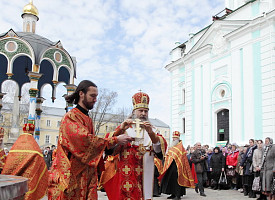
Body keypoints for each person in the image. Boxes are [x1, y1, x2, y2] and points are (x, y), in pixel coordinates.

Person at [48, 80, 133, 200]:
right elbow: (85, 141)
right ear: (81, 94)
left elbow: (94, 142)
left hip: (86, 174)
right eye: (92, 96)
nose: (95, 99)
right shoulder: (71, 116)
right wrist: (116, 140)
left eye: (96, 96)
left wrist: (120, 129)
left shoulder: (87, 118)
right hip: (73, 175)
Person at [101, 91, 167, 200]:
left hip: (146, 168)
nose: (143, 114)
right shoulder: (125, 127)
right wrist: (120, 130)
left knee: (145, 195)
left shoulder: (153, 129)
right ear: (134, 112)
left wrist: (150, 133)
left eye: (146, 111)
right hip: (128, 171)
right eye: (140, 110)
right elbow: (108, 145)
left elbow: (160, 151)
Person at [1, 123, 48, 200]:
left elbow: (9, 163)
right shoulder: (34, 146)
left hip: (12, 182)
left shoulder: (16, 146)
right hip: (29, 181)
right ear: (32, 132)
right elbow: (40, 163)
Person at [160, 131, 194, 200]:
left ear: (178, 138)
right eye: (173, 138)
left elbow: (181, 158)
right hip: (171, 167)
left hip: (178, 168)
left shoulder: (180, 147)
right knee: (171, 181)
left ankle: (178, 195)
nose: (173, 139)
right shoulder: (172, 147)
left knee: (177, 182)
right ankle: (172, 193)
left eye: (175, 138)